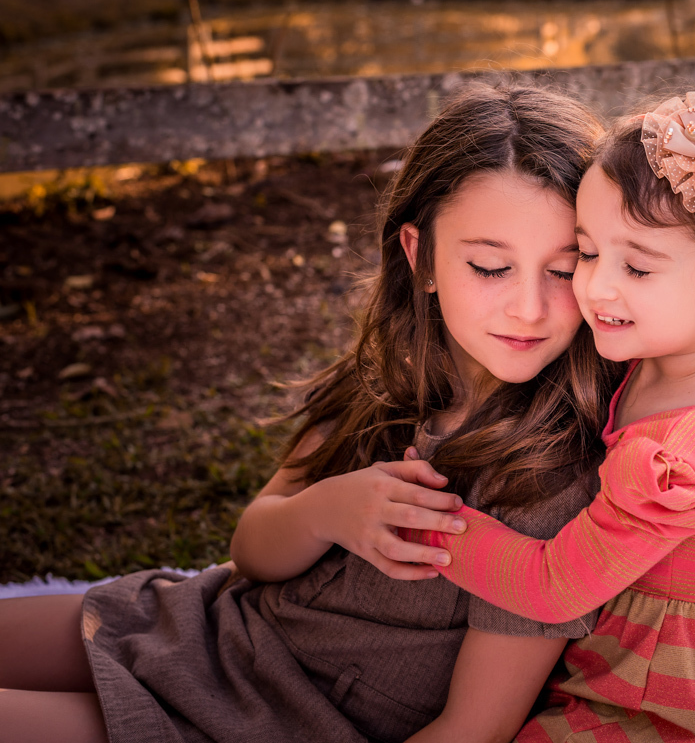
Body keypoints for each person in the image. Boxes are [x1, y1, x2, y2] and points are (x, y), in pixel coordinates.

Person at [0, 82, 624, 743]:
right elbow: (251, 550)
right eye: (490, 266)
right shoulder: (388, 386)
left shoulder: (548, 480)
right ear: (422, 257)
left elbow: (474, 727)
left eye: (563, 269)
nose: (529, 307)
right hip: (208, 624)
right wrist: (328, 511)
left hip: (269, 718)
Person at [407, 76, 695, 742]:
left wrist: (430, 525)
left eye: (636, 268)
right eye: (586, 251)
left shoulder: (686, 458)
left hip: (650, 699)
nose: (593, 285)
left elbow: (552, 587)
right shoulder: (688, 350)